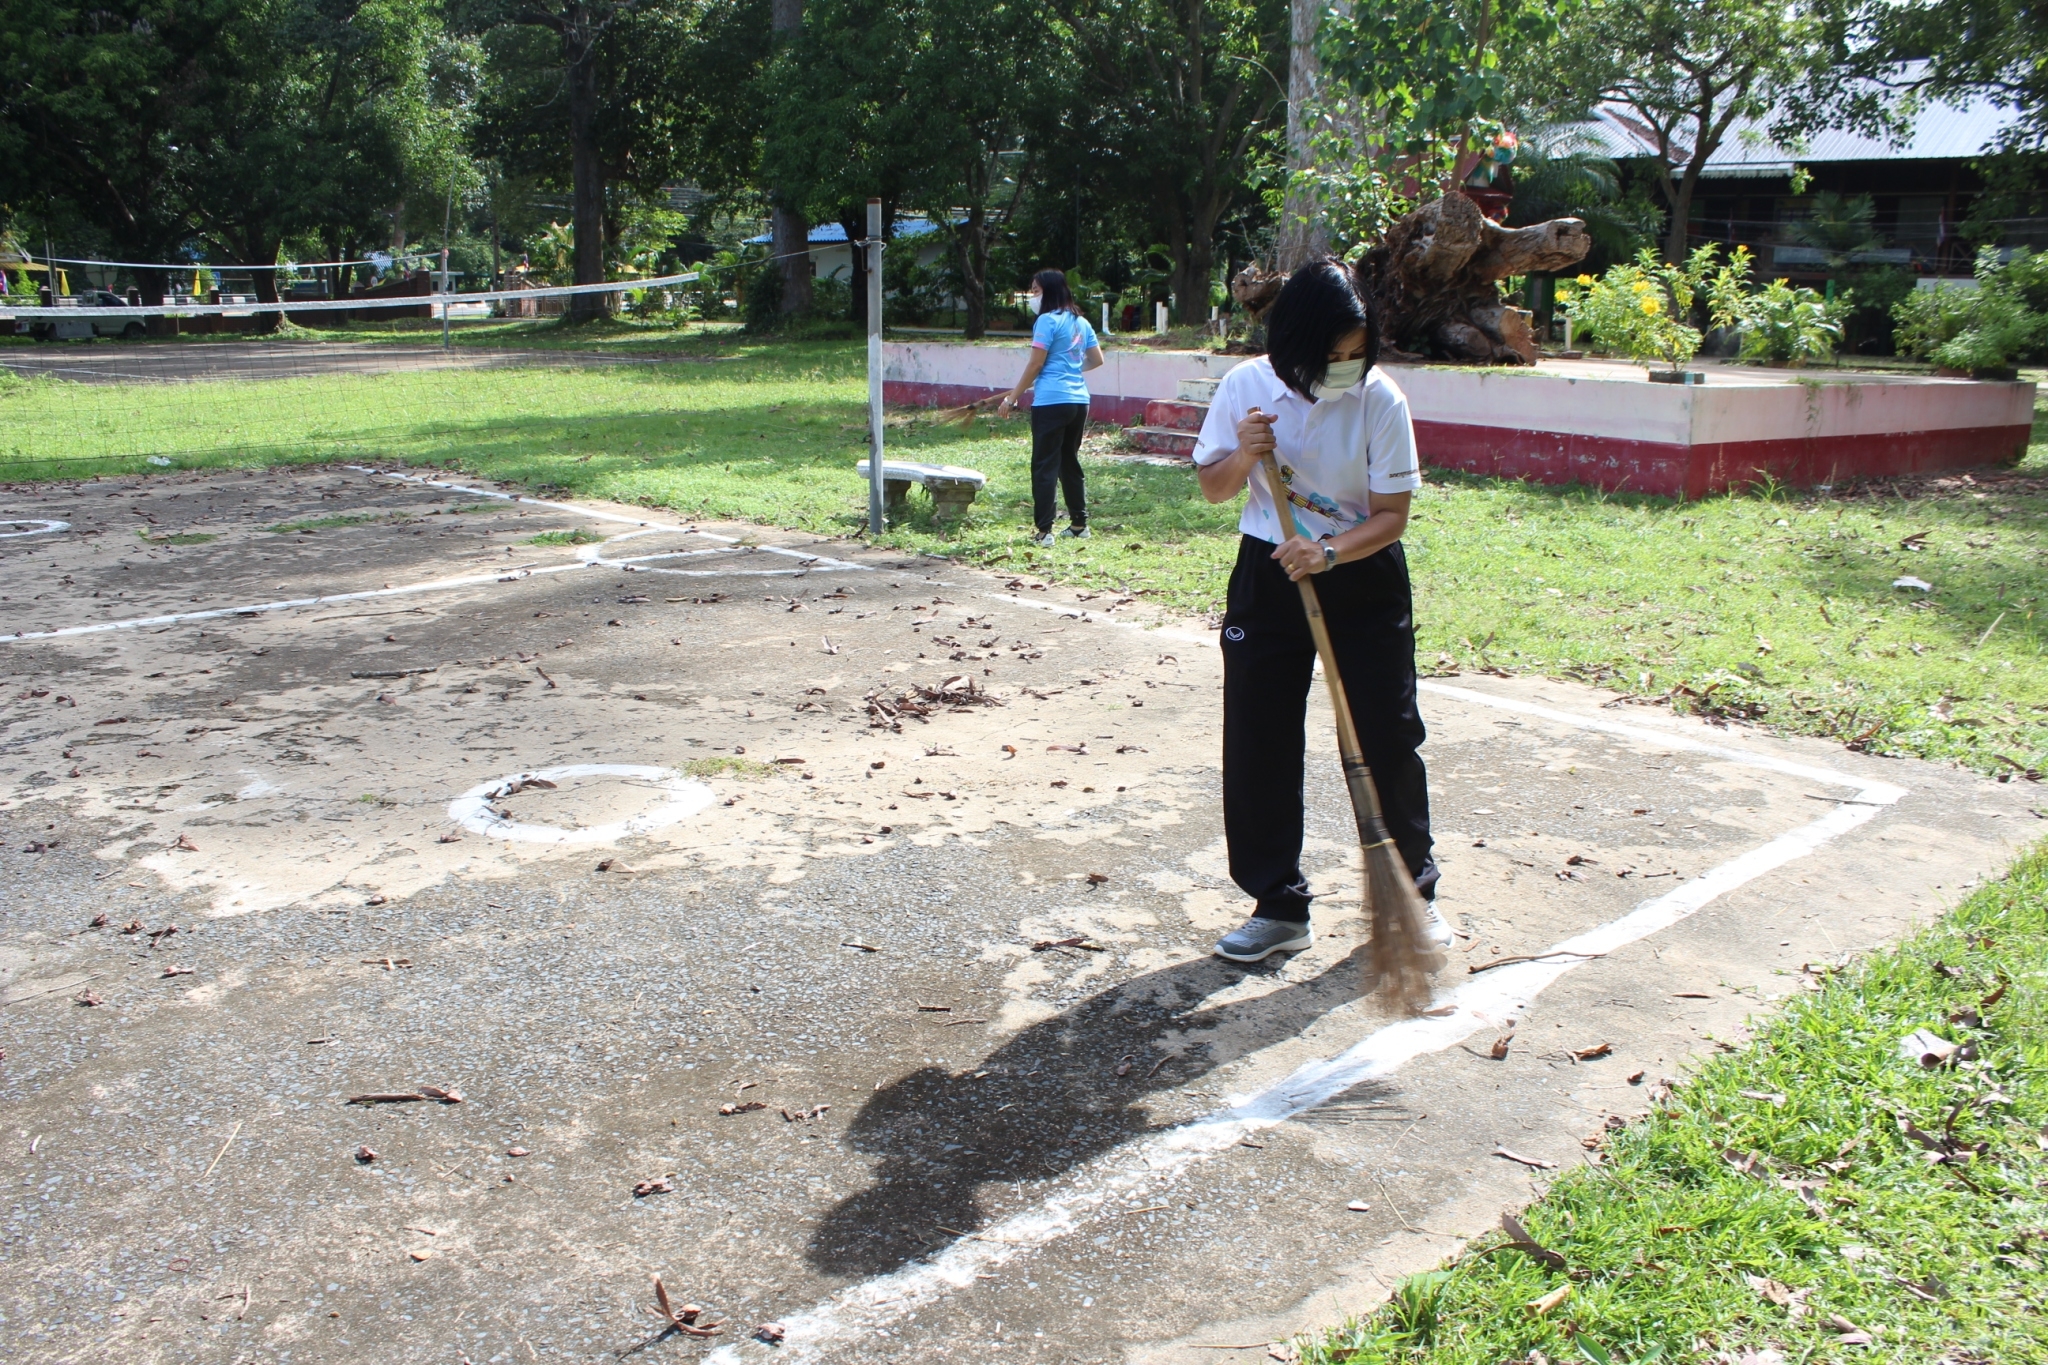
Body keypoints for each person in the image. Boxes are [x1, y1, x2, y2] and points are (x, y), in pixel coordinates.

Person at [1189, 258, 1452, 963]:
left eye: (1355, 354)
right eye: (1331, 356)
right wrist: (1245, 456)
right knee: (1258, 736)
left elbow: (1392, 515)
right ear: (1293, 347)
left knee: (1385, 735)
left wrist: (1329, 552)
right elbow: (1215, 488)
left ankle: (1413, 895)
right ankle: (1278, 904)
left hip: (1359, 575)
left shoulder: (1379, 399)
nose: (1345, 368)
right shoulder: (1247, 386)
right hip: (1269, 570)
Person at [996, 270, 1104, 548]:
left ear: (1049, 291)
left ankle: (1044, 532)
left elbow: (1035, 364)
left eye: (1035, 291)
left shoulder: (1046, 320)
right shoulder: (1081, 321)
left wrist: (1012, 398)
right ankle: (1079, 525)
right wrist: (1069, 370)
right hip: (1079, 400)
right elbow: (1097, 359)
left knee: (1045, 465)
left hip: (1051, 401)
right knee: (1069, 460)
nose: (1032, 297)